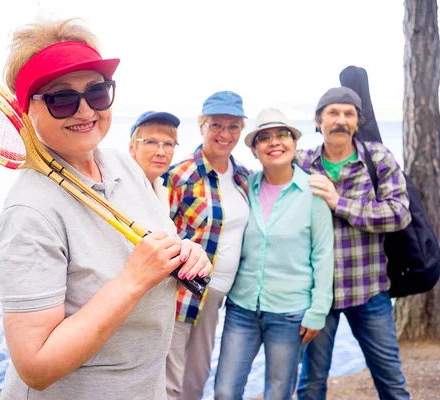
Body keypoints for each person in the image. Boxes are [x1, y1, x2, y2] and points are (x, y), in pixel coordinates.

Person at [0, 19, 212, 399]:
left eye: (97, 91)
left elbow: (154, 244)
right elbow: (36, 367)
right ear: (27, 111)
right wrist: (132, 281)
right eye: (61, 98)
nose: (85, 110)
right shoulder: (30, 214)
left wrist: (183, 252)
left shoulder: (123, 166)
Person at [294, 87, 411, 400]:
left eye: (348, 114)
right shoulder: (301, 163)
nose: (341, 120)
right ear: (318, 121)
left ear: (357, 122)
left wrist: (338, 202)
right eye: (333, 113)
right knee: (311, 382)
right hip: (319, 297)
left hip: (369, 291)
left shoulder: (377, 158)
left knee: (391, 380)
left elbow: (399, 214)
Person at [213, 108, 334, 400]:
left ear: (293, 144)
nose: (274, 142)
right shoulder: (246, 187)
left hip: (290, 313)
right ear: (255, 151)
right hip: (242, 308)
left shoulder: (312, 191)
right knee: (225, 392)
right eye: (264, 138)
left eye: (282, 135)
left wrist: (318, 312)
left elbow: (323, 254)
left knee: (278, 393)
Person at [164, 91, 251, 400]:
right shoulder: (179, 175)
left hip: (218, 297)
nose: (224, 134)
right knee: (170, 383)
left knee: (196, 380)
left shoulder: (243, 177)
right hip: (180, 295)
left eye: (233, 126)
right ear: (201, 126)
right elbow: (156, 233)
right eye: (216, 124)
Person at [129, 110, 180, 211]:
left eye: (168, 144)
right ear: (132, 148)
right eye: (151, 142)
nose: (161, 152)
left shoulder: (161, 188)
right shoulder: (124, 190)